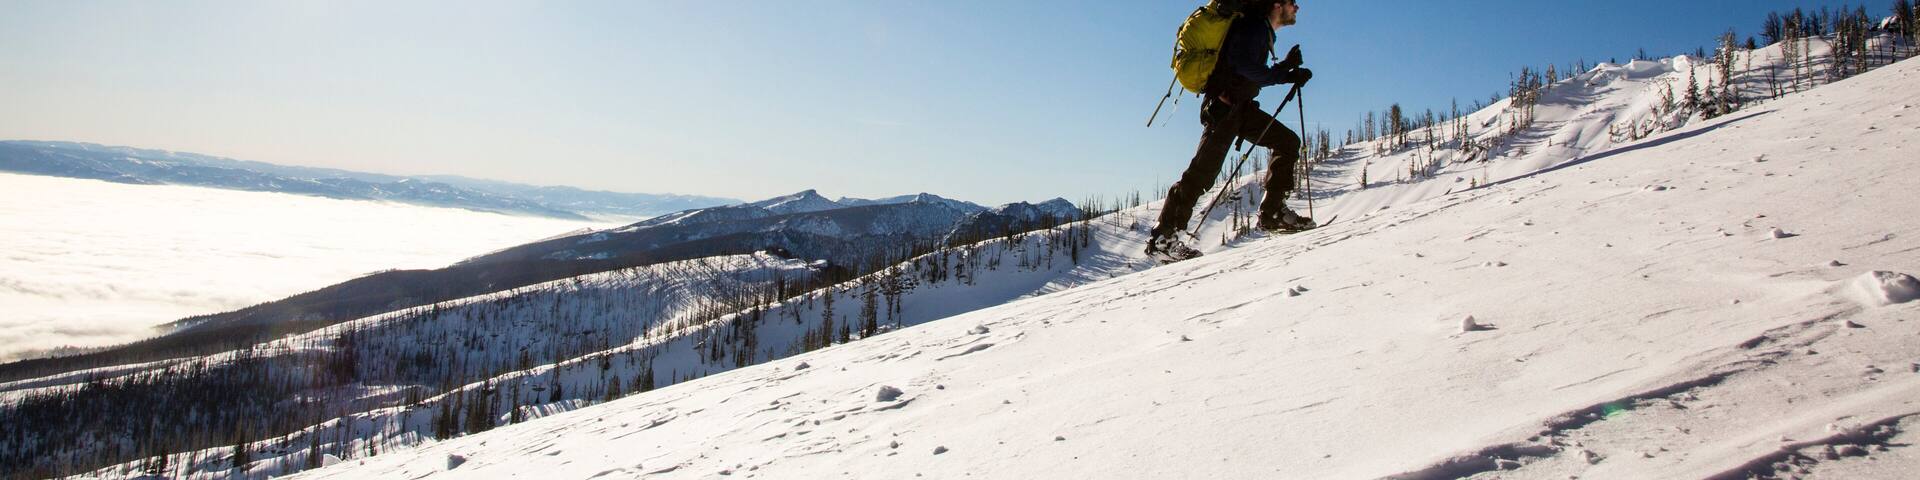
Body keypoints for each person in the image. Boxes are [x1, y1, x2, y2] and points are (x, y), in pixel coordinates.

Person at [1146, 0, 1314, 262]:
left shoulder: (1260, 29)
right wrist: (1284, 75)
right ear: (1277, 4)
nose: (1297, 7)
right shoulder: (1254, 27)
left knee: (1287, 142)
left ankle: (1272, 213)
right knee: (1201, 175)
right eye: (1293, 2)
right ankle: (1162, 238)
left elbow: (1248, 71)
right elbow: (1242, 66)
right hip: (1224, 109)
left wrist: (1285, 69)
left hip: (1239, 108)